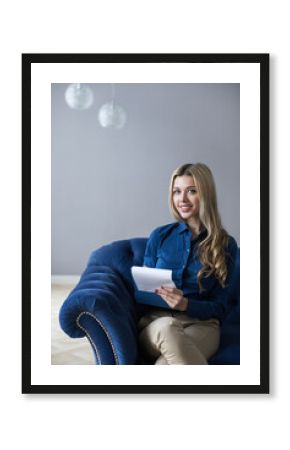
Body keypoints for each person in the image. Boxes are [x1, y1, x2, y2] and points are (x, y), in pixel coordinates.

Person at [138, 163, 238, 365]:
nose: (182, 199)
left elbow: (221, 307)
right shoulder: (160, 236)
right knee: (167, 327)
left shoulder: (225, 244)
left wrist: (187, 304)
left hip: (202, 326)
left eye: (191, 191)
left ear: (206, 194)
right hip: (157, 323)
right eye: (176, 192)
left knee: (164, 366)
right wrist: (159, 295)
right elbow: (141, 291)